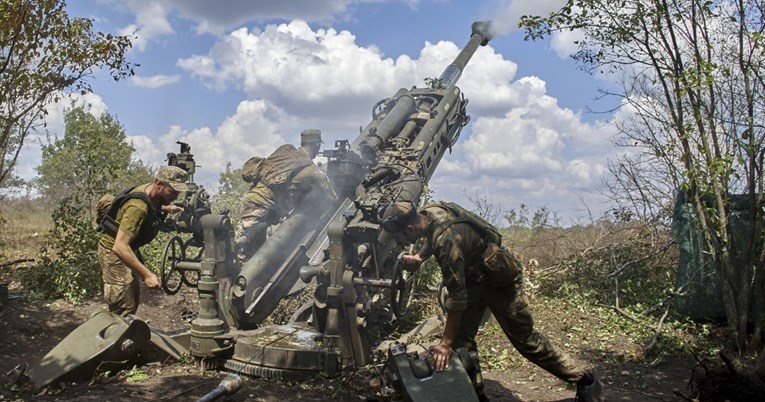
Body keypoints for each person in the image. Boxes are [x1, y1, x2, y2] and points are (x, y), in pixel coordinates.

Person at [378, 200, 604, 402]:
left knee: (526, 341)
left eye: (399, 238)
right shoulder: (429, 212)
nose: (399, 243)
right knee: (460, 342)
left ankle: (585, 380)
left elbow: (457, 297)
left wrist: (444, 344)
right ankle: (475, 394)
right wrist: (419, 257)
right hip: (476, 280)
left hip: (500, 280)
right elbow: (432, 236)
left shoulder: (447, 242)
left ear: (409, 228)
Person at [97, 165, 188, 316]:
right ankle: (116, 335)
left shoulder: (151, 192)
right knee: (123, 307)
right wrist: (147, 274)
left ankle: (127, 332)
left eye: (178, 192)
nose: (175, 197)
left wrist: (166, 209)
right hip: (114, 251)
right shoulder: (137, 207)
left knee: (132, 297)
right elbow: (119, 247)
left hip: (128, 248)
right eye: (172, 191)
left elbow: (150, 206)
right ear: (159, 183)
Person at [234, 129, 337, 263]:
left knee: (254, 251)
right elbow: (330, 194)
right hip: (259, 206)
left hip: (253, 200)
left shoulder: (286, 150)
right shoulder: (312, 170)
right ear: (316, 145)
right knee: (241, 250)